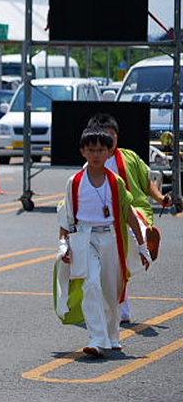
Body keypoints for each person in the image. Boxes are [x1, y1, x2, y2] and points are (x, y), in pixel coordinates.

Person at [54, 128, 151, 357]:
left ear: (109, 152)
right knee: (91, 285)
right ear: (82, 152)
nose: (95, 154)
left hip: (111, 238)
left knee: (111, 291)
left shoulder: (116, 182)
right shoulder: (74, 182)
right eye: (91, 150)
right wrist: (63, 244)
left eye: (100, 150)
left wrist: (142, 246)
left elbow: (129, 214)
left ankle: (112, 335)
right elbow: (66, 216)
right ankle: (97, 338)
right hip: (85, 238)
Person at [86, 113, 170, 323]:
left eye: (112, 135)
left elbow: (146, 180)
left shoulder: (129, 157)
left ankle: (145, 238)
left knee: (121, 261)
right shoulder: (89, 168)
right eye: (104, 137)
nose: (109, 140)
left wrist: (160, 198)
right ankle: (117, 312)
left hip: (131, 213)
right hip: (101, 223)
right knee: (114, 268)